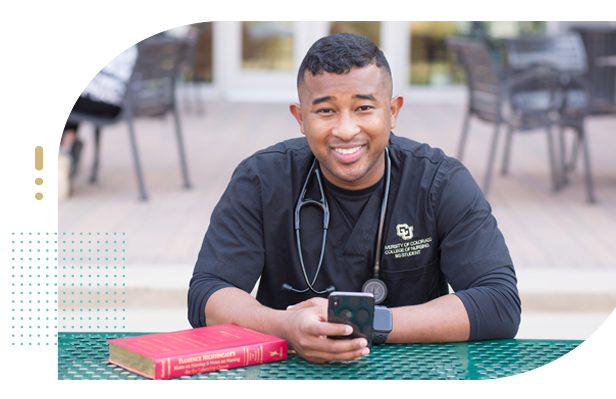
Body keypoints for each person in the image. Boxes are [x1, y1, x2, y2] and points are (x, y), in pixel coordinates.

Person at [188, 33, 520, 363]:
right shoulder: (261, 180)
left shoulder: (440, 182)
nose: (346, 130)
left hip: (413, 375)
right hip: (289, 375)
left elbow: (499, 301)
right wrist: (285, 326)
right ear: (301, 118)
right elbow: (207, 294)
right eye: (326, 111)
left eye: (363, 107)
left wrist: (370, 322)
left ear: (392, 112)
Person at [57, 21, 138, 196]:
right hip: (117, 93)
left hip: (104, 97)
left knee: (58, 98)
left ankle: (61, 157)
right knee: (63, 92)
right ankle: (65, 150)